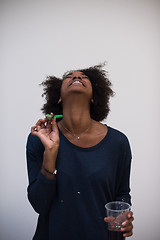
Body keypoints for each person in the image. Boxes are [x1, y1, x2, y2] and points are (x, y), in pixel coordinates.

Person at [26, 64, 134, 240]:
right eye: (69, 76)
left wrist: (123, 217)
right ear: (59, 97)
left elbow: (121, 194)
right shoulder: (40, 139)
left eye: (84, 77)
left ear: (94, 97)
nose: (77, 77)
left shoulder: (118, 142)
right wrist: (50, 154)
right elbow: (39, 204)